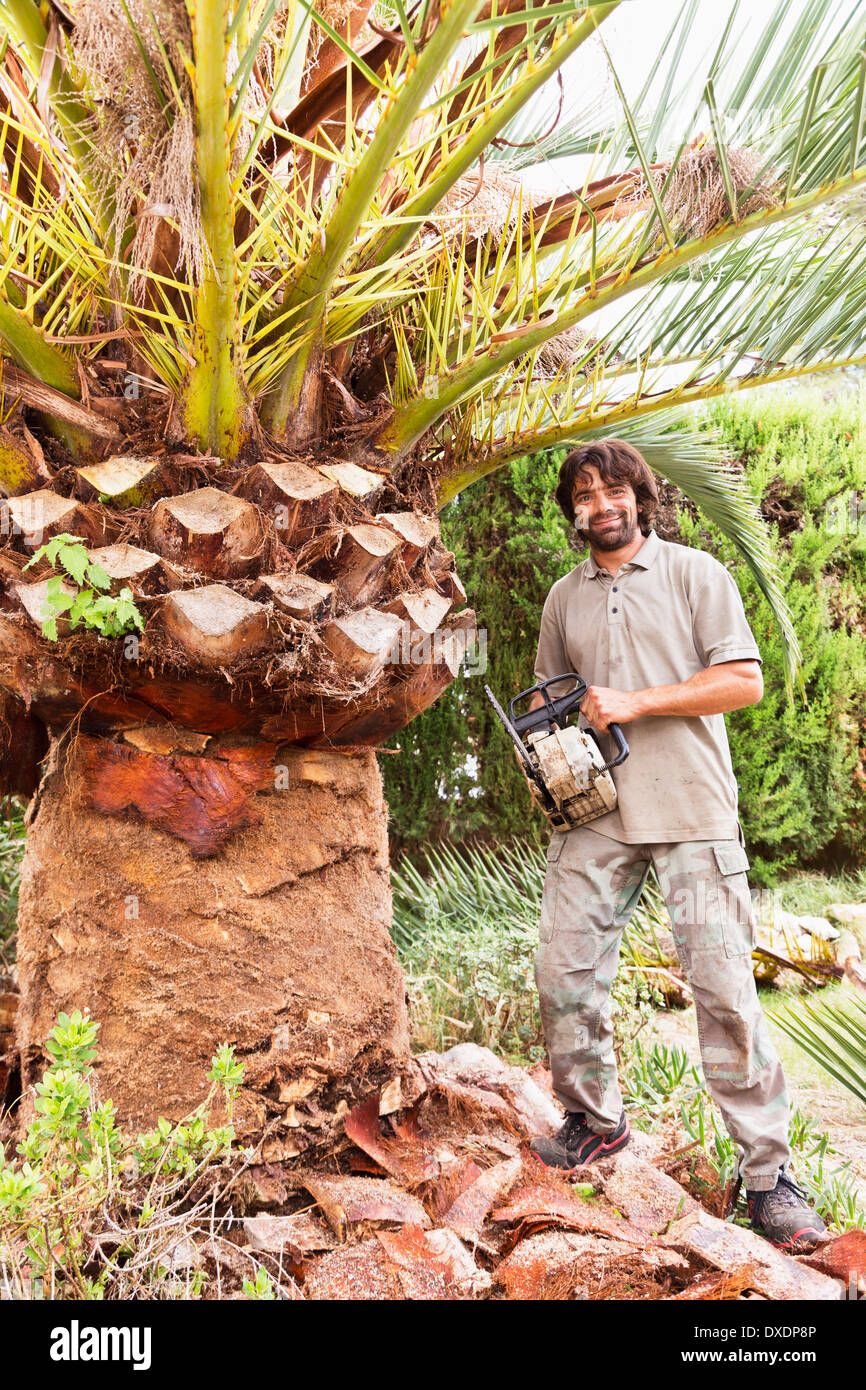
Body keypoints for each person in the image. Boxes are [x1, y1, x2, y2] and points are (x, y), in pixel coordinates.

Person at [527, 438, 826, 1253]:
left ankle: (768, 1178)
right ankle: (595, 1123)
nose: (601, 505)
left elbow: (743, 681)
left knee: (724, 990)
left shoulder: (698, 575)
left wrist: (638, 702)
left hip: (692, 813)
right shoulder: (565, 598)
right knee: (564, 972)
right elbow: (557, 703)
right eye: (584, 495)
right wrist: (546, 752)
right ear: (574, 513)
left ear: (642, 498)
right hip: (595, 816)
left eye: (614, 490)